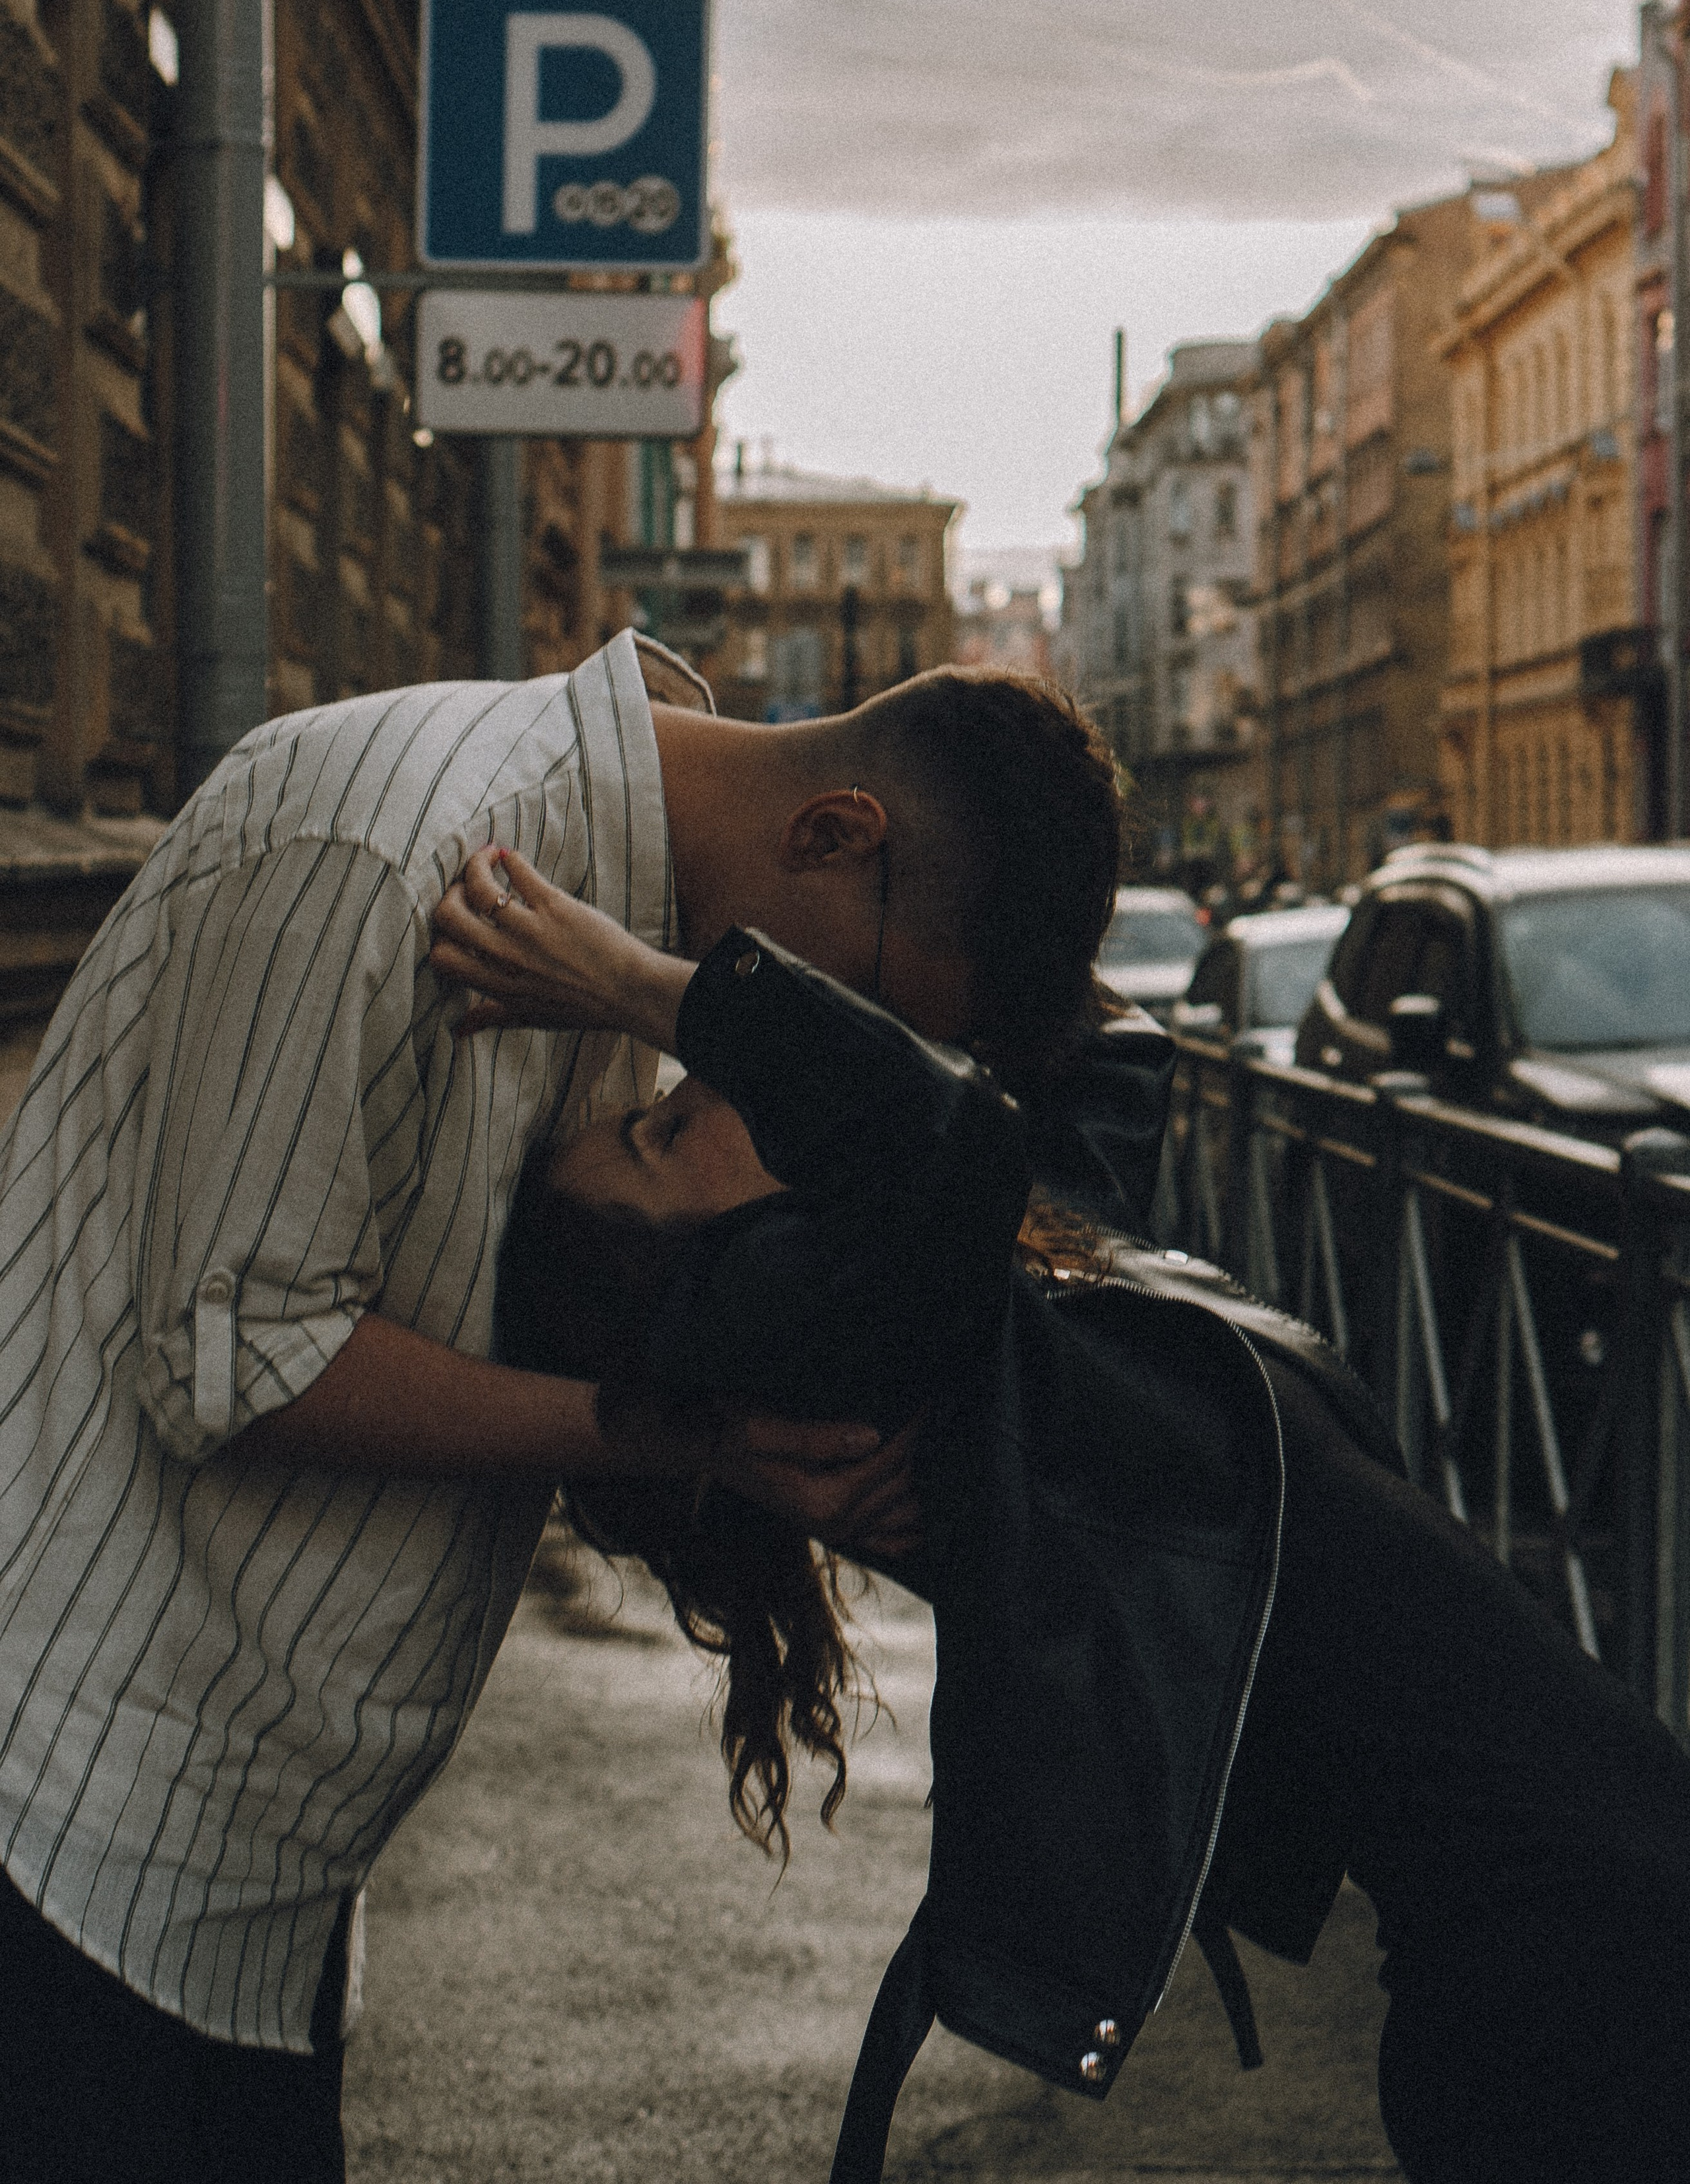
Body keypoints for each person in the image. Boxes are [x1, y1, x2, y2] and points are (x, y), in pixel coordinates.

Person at [0, 629, 1122, 2184]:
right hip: (70, 1818)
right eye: (854, 1011)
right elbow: (237, 1359)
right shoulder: (389, 843)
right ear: (832, 834)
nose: (813, 1065)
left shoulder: (630, 928)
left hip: (257, 1875)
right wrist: (682, 1439)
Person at [471, 861, 1690, 2184]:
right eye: (659, 1139)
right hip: (1564, 1956)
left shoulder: (985, 1288)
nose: (697, 1089)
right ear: (699, 1289)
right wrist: (638, 982)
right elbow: (939, 1134)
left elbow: (1108, 1058)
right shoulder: (849, 1330)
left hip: (1564, 1928)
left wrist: (857, 927)